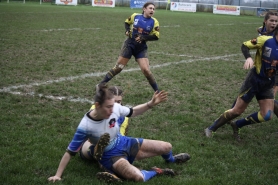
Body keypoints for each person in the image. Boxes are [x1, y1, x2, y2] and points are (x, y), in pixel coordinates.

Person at [48, 85, 190, 183]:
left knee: (167, 147)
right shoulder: (85, 126)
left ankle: (171, 160)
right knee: (138, 177)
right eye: (108, 107)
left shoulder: (115, 107)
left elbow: (133, 112)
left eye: (114, 106)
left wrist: (150, 104)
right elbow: (70, 152)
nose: (112, 110)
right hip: (111, 155)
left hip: (124, 142)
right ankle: (156, 171)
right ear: (97, 105)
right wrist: (57, 175)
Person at [204, 25, 278, 141]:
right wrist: (248, 58)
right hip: (254, 80)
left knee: (267, 115)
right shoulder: (266, 40)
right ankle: (211, 128)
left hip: (268, 83)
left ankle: (238, 124)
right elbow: (245, 45)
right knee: (237, 111)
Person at [98, 2, 160, 92]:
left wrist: (143, 37)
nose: (152, 10)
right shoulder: (135, 16)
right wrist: (127, 30)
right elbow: (127, 22)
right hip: (129, 44)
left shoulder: (154, 21)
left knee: (146, 70)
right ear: (144, 9)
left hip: (141, 47)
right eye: (150, 8)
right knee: (119, 67)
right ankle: (101, 84)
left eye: (153, 9)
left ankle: (157, 91)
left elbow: (156, 36)